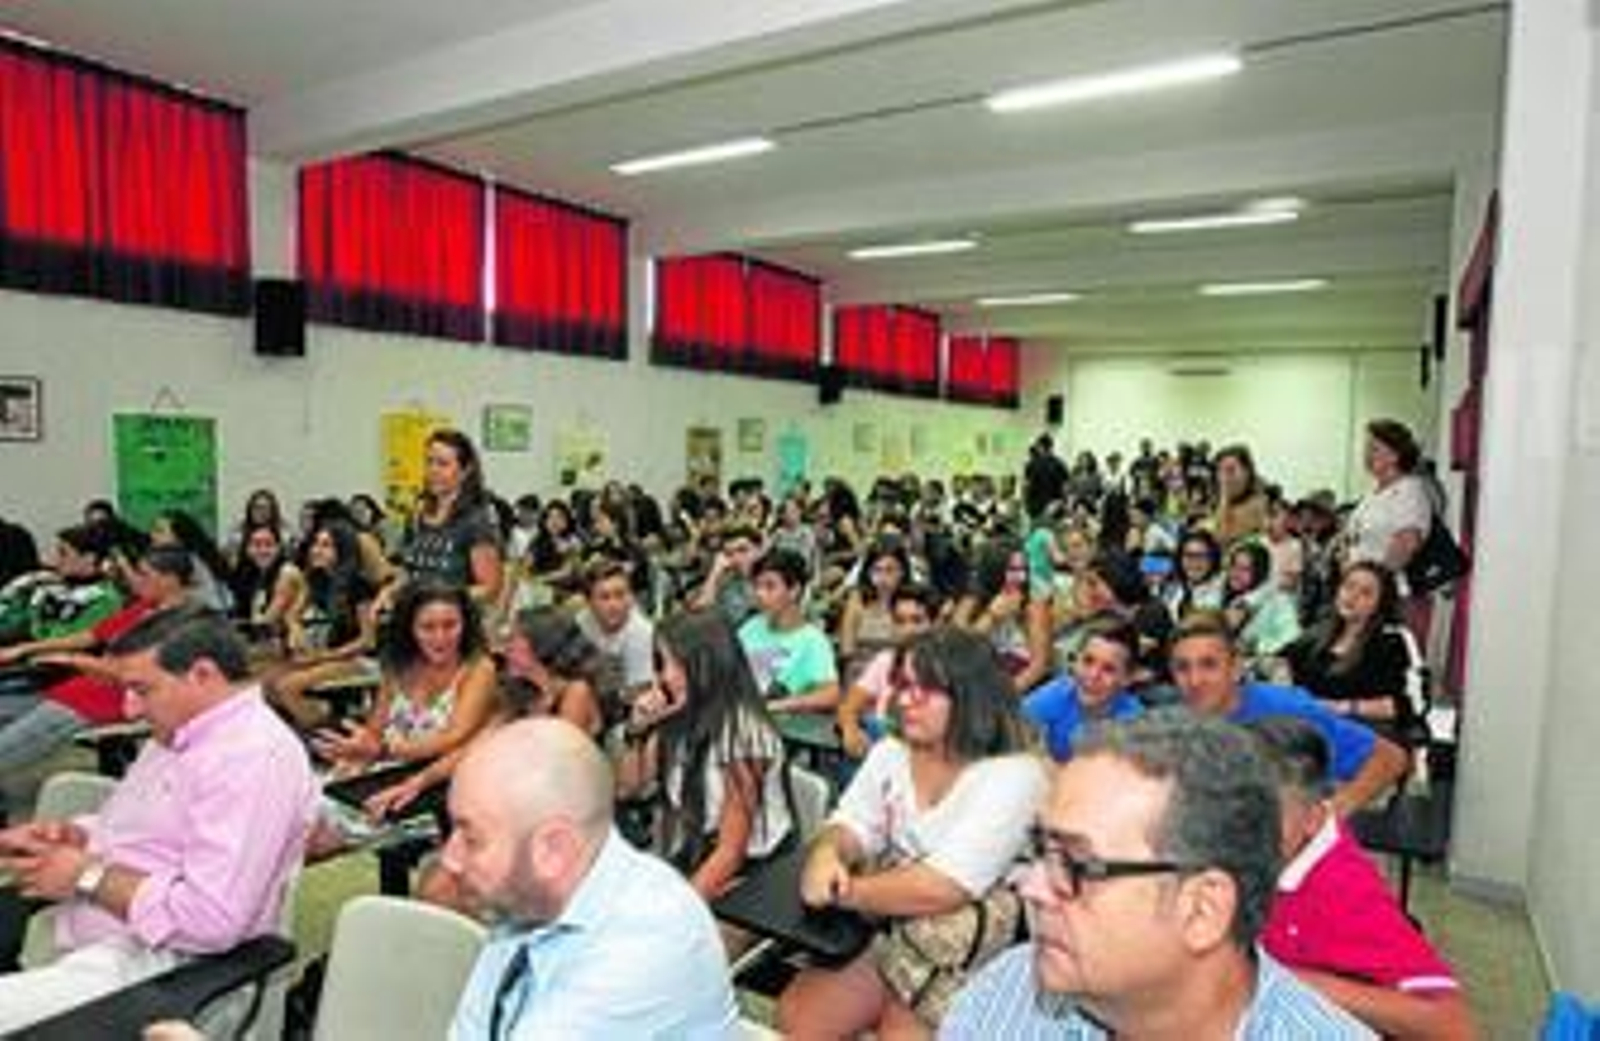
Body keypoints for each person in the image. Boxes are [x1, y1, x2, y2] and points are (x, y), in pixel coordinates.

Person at [941, 712, 1372, 1039]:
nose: (1031, 887)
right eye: (1040, 850)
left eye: (1077, 866)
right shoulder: (1006, 993)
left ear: (1203, 909)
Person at [0, 607, 317, 1030]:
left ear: (202, 675)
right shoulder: (181, 732)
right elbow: (153, 832)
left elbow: (213, 921)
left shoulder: (252, 758)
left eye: (141, 690)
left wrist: (88, 877)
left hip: (170, 971)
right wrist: (77, 834)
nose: (129, 709)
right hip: (105, 944)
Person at [778, 628, 1047, 1037]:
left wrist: (845, 891)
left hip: (969, 959)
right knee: (798, 1020)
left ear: (972, 698)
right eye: (903, 684)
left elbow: (945, 886)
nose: (906, 700)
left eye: (928, 689)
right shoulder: (891, 752)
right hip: (894, 933)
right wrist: (827, 854)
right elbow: (852, 823)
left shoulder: (1015, 775)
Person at [444, 718, 737, 1038]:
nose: (450, 859)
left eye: (472, 840)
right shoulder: (523, 901)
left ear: (553, 849)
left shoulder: (650, 942)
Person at [1248, 716, 1475, 1039]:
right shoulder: (1281, 849)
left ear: (1314, 816)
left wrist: (1288, 980)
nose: (1241, 827)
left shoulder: (1341, 889)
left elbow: (1453, 1026)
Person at [617, 608, 793, 899]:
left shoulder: (745, 736)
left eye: (674, 663)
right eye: (662, 663)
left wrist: (681, 913)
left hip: (753, 870)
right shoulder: (681, 713)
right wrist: (637, 730)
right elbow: (629, 788)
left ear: (706, 666)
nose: (664, 676)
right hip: (700, 850)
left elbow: (730, 852)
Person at [1169, 613, 1409, 815]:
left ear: (1236, 668)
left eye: (1209, 665)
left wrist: (1332, 813)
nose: (1194, 680)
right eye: (1183, 668)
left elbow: (1390, 758)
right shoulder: (1180, 722)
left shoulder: (1288, 710)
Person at [0, 547, 195, 773]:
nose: (135, 581)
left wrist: (72, 660)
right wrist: (24, 649)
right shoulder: (146, 607)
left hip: (110, 699)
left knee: (12, 743)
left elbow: (137, 674)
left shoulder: (187, 622)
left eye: (143, 575)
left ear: (169, 579)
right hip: (86, 688)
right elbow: (91, 636)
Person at [313, 581, 497, 777]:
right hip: (385, 768)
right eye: (427, 627)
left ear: (466, 625)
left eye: (450, 625)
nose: (440, 637)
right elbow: (375, 729)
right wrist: (356, 751)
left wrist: (382, 752)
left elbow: (453, 737)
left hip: (438, 777)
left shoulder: (479, 668)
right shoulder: (398, 664)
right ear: (409, 629)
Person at [1286, 561, 1428, 745]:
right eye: (1348, 586)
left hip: (1365, 739)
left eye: (1365, 593)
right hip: (1312, 731)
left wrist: (1343, 707)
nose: (1351, 597)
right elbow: (1281, 663)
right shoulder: (1317, 632)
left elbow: (1414, 704)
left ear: (1381, 603)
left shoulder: (1393, 639)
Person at [397, 428, 505, 610]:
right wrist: (391, 590)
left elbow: (490, 589)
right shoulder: (417, 513)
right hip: (415, 618)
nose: (433, 470)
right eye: (429, 462)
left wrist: (438, 598)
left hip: (455, 622)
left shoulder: (476, 520)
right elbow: (408, 570)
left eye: (443, 464)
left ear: (465, 471)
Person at [836, 584, 937, 759]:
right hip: (881, 754)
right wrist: (850, 730)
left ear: (934, 623)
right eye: (900, 621)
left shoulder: (948, 668)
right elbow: (848, 707)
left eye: (917, 620)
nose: (908, 630)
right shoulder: (885, 661)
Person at [1022, 619, 1142, 762]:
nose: (1093, 675)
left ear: (1127, 679)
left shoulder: (1134, 725)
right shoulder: (1057, 693)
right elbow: (1012, 731)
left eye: (1108, 669)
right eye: (1088, 661)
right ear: (1074, 661)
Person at [737, 548, 839, 713]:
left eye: (770, 587)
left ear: (794, 590)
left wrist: (777, 705)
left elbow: (830, 695)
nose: (759, 594)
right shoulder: (751, 626)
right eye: (757, 586)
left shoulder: (813, 641)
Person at [953, 538, 1054, 695]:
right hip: (973, 684)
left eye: (1023, 570)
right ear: (994, 572)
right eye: (1012, 570)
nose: (1019, 577)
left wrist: (1003, 697)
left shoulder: (1033, 605)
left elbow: (1038, 666)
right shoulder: (972, 599)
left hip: (1017, 689)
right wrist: (991, 617)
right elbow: (956, 651)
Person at [574, 556, 655, 696]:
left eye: (620, 595)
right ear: (589, 602)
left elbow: (640, 693)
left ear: (631, 597)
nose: (614, 605)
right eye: (604, 597)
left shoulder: (641, 632)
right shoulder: (582, 620)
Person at [691, 522, 763, 628]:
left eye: (743, 550)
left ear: (758, 550)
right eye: (729, 553)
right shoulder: (726, 583)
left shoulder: (777, 578)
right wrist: (715, 572)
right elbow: (700, 608)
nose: (737, 558)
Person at [1211, 444, 1270, 546]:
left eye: (1230, 470)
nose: (1224, 478)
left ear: (1247, 472)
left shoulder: (1258, 504)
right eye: (1220, 471)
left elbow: (1222, 539)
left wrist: (1224, 499)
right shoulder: (1222, 502)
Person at [1023, 434, 1069, 521]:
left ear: (1040, 447)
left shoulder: (1032, 464)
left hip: (1036, 507)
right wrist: (1063, 503)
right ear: (1052, 446)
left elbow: (1026, 485)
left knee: (1037, 532)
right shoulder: (1060, 464)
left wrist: (1026, 505)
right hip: (1054, 506)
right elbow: (1065, 487)